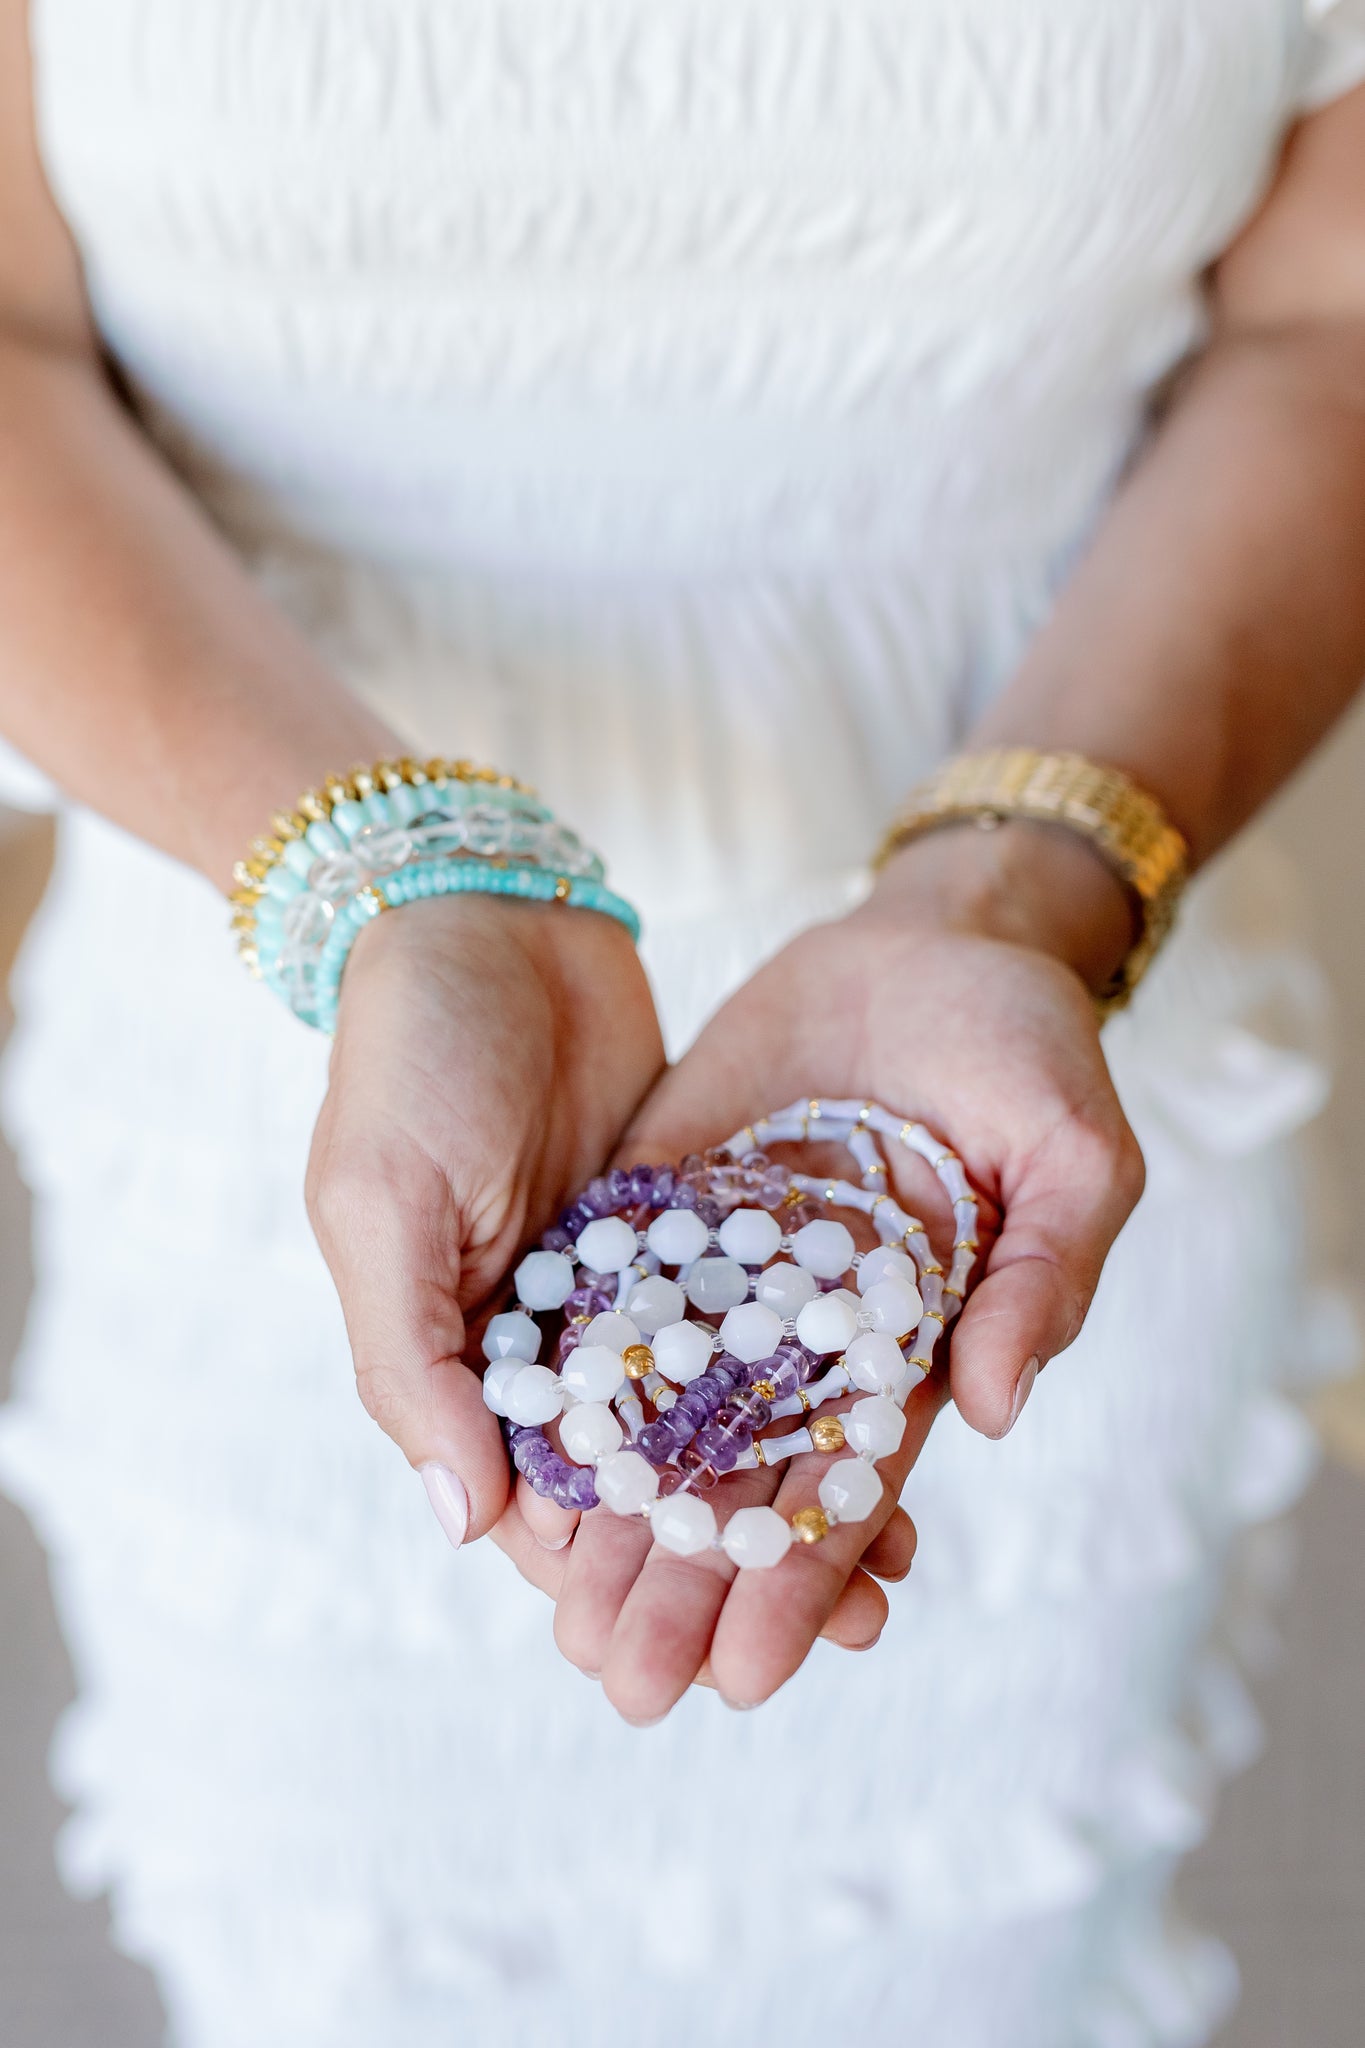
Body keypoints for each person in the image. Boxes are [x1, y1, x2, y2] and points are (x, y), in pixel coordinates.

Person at [1, 2, 1363, 2043]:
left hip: (1005, 1052)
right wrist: (392, 885)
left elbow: (1322, 333)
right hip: (298, 1054)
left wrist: (1013, 883)